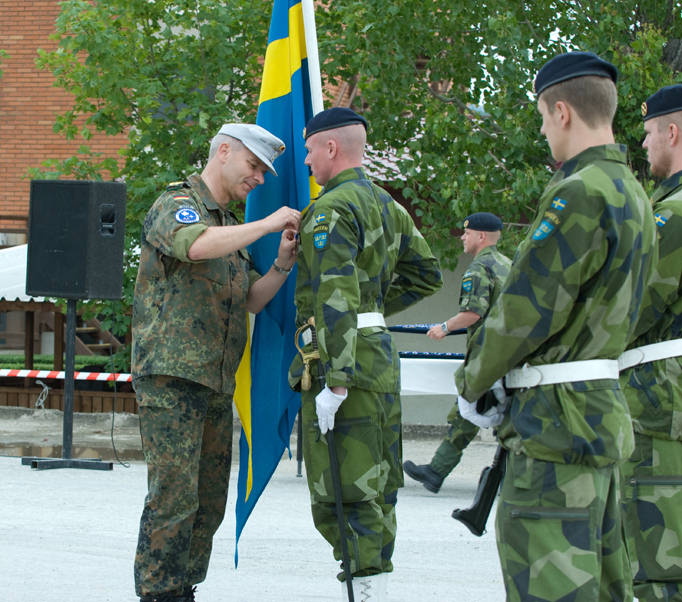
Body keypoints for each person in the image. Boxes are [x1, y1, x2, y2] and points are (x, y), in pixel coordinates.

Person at [453, 51, 656, 601]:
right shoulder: (636, 194)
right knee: (606, 583)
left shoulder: (579, 191)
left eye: (543, 117)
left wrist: (472, 380)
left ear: (562, 111)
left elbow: (525, 309)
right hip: (598, 410)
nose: (543, 131)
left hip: (555, 426)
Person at [131, 123, 301, 602]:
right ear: (223, 152)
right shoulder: (177, 205)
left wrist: (282, 264)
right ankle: (158, 593)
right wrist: (268, 224)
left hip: (213, 380)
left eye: (264, 173)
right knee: (173, 497)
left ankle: (184, 587)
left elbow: (250, 299)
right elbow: (194, 246)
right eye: (254, 167)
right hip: (171, 377)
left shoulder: (229, 226)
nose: (260, 180)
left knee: (207, 502)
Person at [289, 107, 442, 600]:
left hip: (345, 365)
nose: (307, 160)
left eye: (310, 149)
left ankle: (367, 591)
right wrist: (371, 309)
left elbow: (334, 295)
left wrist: (335, 380)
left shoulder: (331, 210)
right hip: (375, 354)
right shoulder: (386, 204)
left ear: (330, 147)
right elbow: (426, 274)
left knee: (344, 492)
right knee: (378, 484)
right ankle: (378, 585)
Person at [618, 84, 682, 601]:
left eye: (647, 134)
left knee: (660, 565)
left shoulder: (673, 214)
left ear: (673, 132)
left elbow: (633, 311)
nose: (643, 146)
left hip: (660, 404)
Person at [403, 212, 511, 493]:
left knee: (475, 409)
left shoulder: (479, 269)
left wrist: (444, 327)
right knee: (474, 411)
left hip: (486, 356)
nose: (462, 237)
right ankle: (437, 470)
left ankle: (506, 476)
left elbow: (473, 312)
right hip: (507, 354)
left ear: (481, 236)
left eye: (466, 233)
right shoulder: (508, 265)